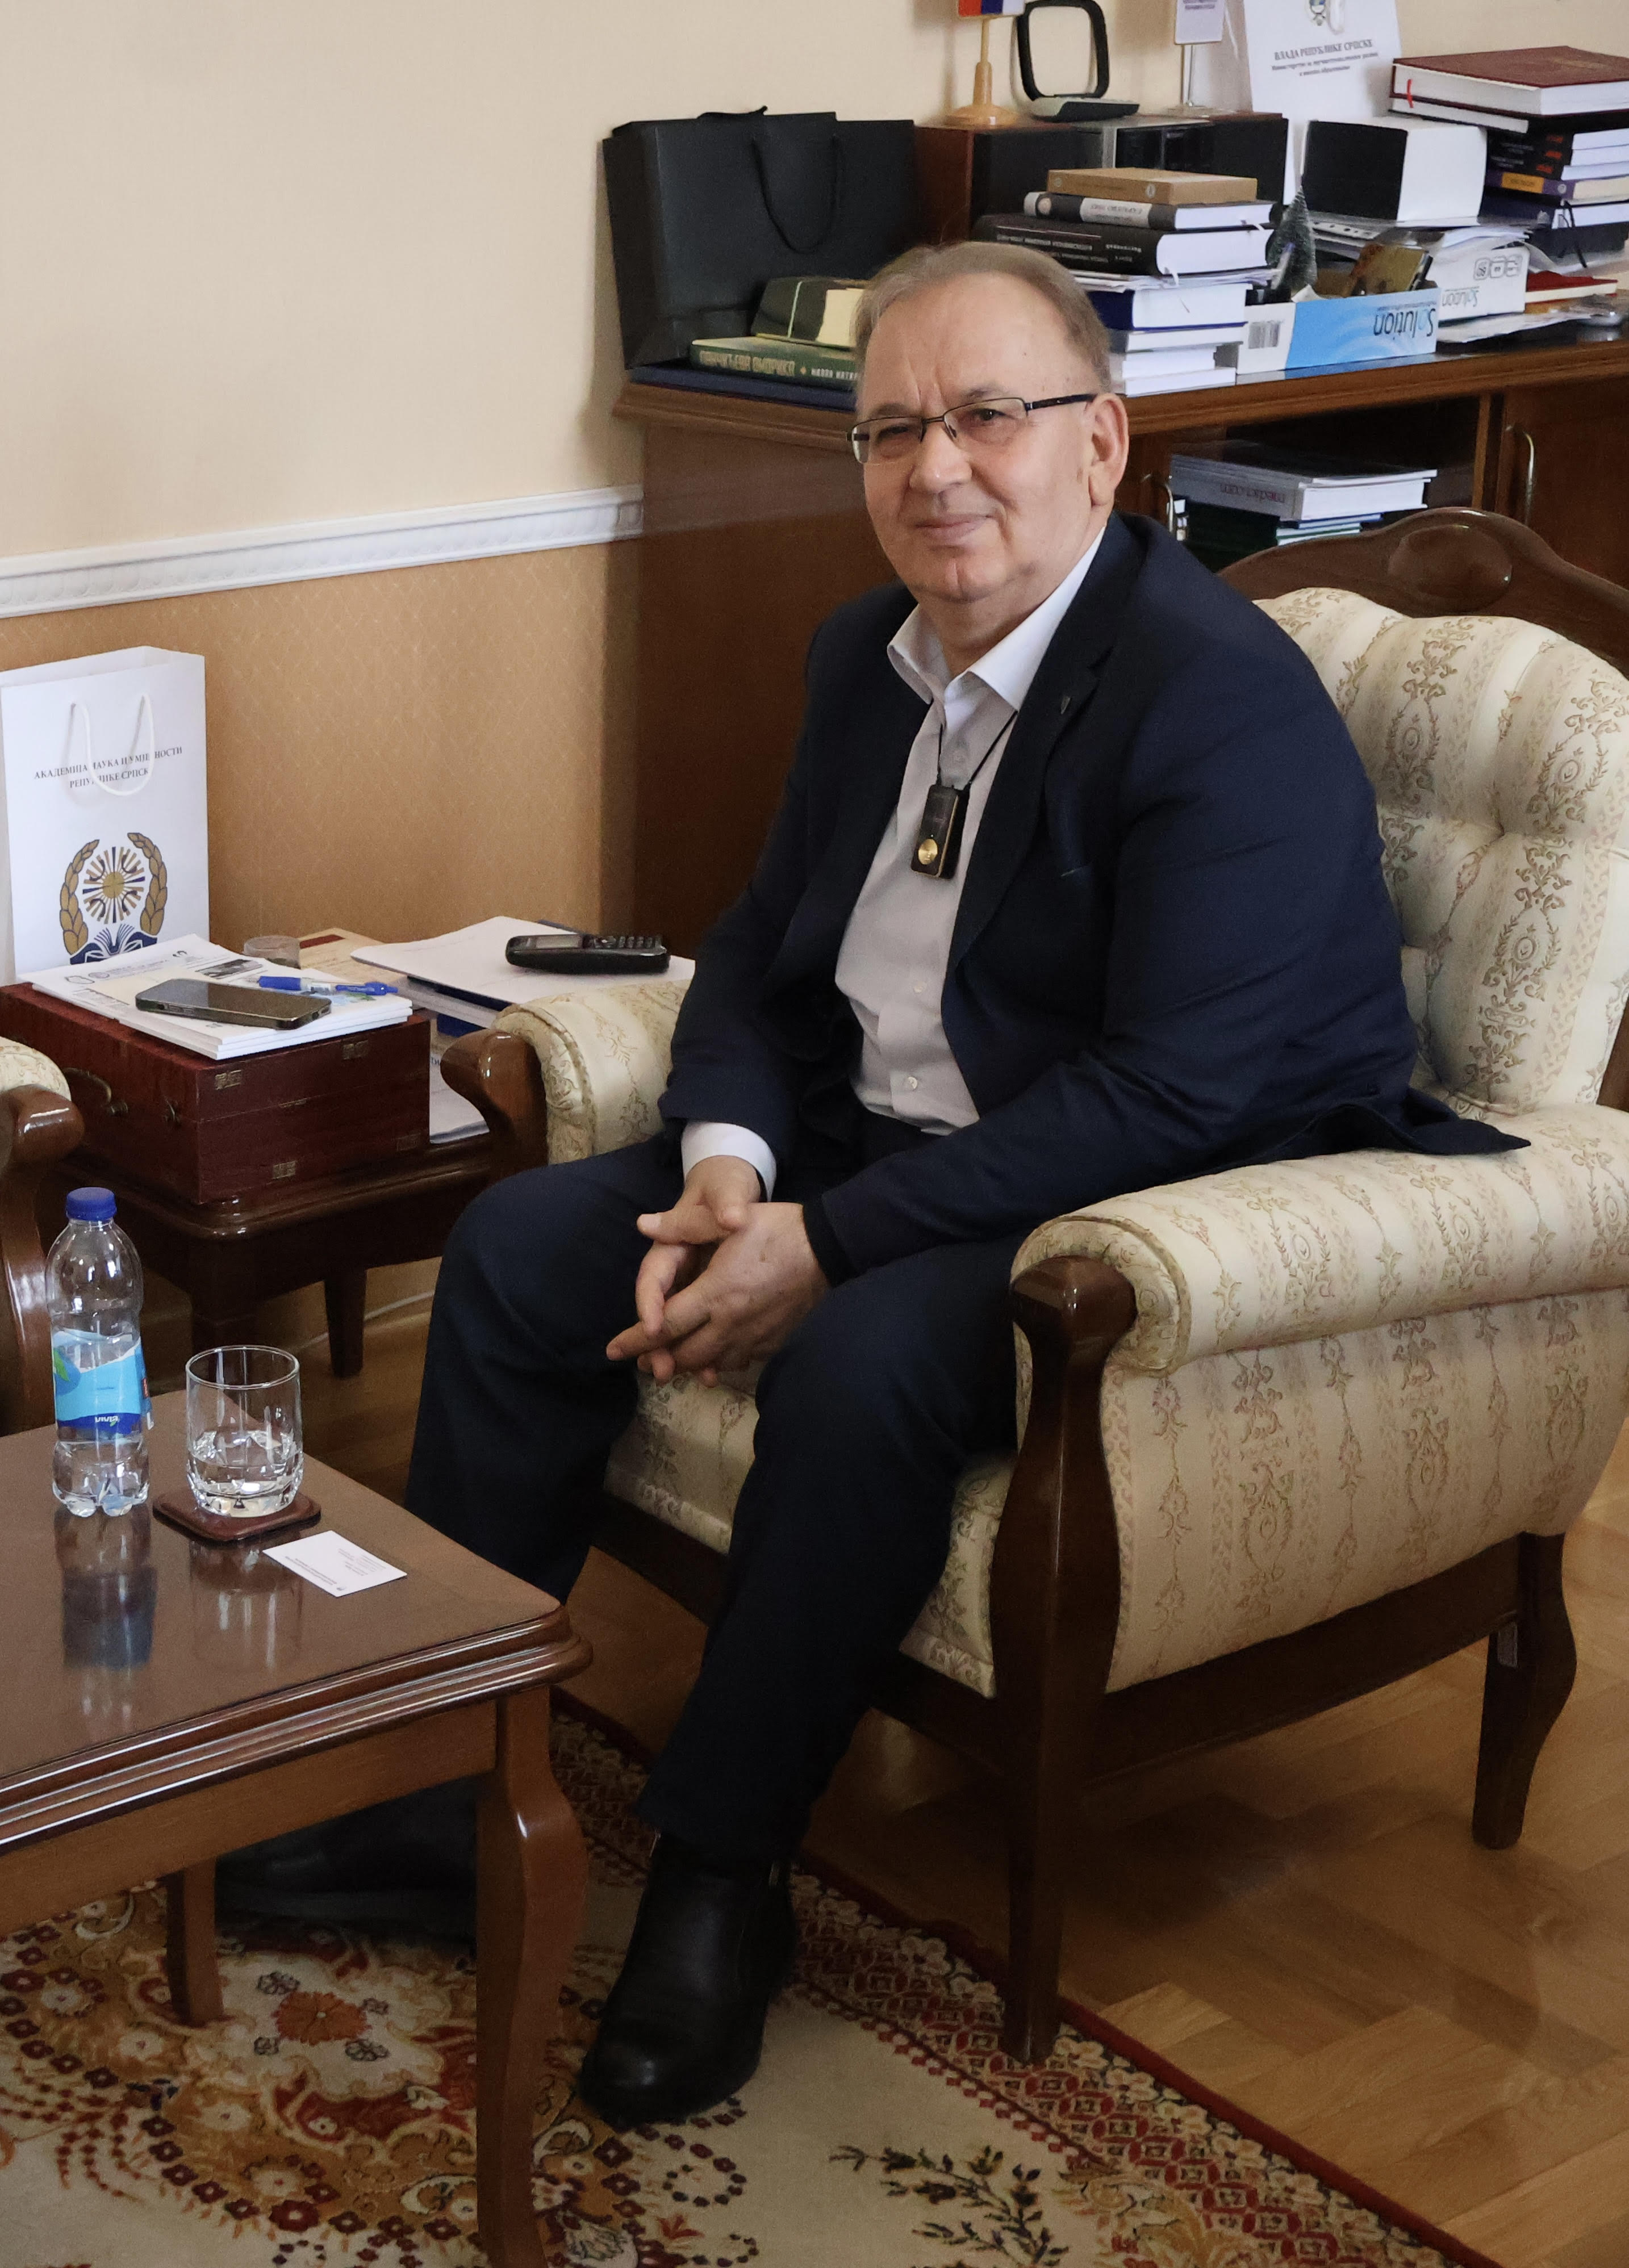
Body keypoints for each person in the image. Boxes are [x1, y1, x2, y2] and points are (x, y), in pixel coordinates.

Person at [220, 240, 1520, 2125]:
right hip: (878, 1142)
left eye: (986, 416)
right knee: (514, 1249)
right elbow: (757, 961)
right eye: (891, 429)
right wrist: (728, 1174)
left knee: (858, 1362)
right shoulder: (865, 656)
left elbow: (1166, 1089)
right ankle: (429, 1796)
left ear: (1101, 444)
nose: (935, 468)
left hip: (1130, 1203)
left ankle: (719, 1873)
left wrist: (821, 1246)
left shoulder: (1207, 699)